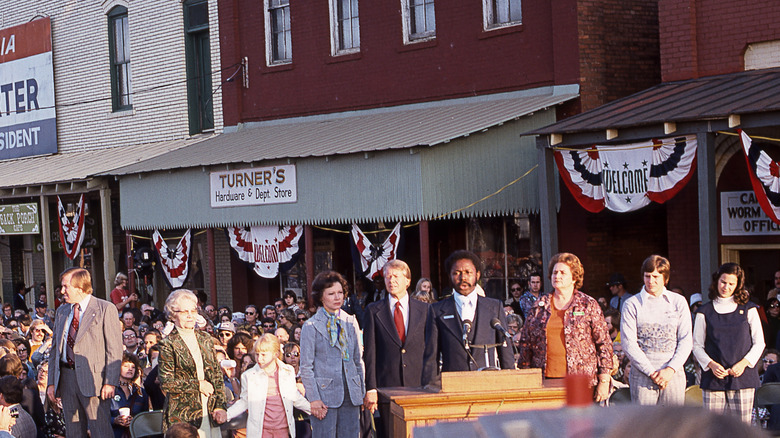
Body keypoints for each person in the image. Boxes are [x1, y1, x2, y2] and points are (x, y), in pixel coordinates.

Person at [518, 253, 613, 402]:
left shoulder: (588, 304)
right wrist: (525, 378)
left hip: (581, 380)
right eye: (555, 272)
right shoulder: (538, 306)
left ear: (574, 278)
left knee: (578, 423)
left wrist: (604, 380)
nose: (557, 276)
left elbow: (604, 344)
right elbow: (525, 343)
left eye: (563, 273)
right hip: (544, 380)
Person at [46, 267, 123, 438]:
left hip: (95, 382)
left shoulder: (105, 309)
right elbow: (54, 351)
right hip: (66, 379)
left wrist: (110, 382)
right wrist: (51, 382)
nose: (62, 291)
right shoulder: (62, 311)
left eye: (66, 287)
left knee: (100, 431)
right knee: (73, 432)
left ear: (80, 288)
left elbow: (114, 350)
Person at [362, 260, 436, 434]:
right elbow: (370, 353)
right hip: (387, 388)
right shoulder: (373, 310)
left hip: (418, 387)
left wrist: (430, 384)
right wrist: (371, 388)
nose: (391, 280)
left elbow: (431, 349)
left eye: (396, 276)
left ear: (408, 281)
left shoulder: (425, 310)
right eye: (388, 276)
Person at [692, 263, 764, 423]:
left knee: (741, 429)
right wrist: (711, 364)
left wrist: (743, 364)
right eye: (723, 282)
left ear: (738, 285)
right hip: (713, 378)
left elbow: (759, 343)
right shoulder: (704, 311)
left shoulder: (749, 309)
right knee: (713, 428)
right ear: (717, 281)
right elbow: (696, 345)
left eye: (732, 283)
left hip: (742, 377)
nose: (726, 287)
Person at [299, 271, 365, 438]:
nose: (337, 297)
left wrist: (361, 392)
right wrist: (313, 399)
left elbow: (358, 361)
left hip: (351, 394)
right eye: (331, 293)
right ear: (321, 297)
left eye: (340, 292)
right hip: (324, 397)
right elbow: (306, 367)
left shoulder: (351, 321)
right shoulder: (311, 326)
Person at [621, 255, 692, 406]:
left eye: (655, 277)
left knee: (673, 424)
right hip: (642, 376)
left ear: (665, 278)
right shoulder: (632, 304)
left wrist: (670, 370)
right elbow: (629, 343)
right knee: (645, 425)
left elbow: (686, 339)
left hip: (673, 374)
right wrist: (651, 373)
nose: (651, 281)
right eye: (647, 276)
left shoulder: (678, 302)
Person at [429, 250, 515, 374]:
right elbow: (431, 356)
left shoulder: (494, 307)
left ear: (477, 275)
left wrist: (511, 382)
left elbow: (505, 351)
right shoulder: (437, 310)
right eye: (456, 273)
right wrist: (431, 387)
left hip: (488, 383)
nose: (463, 277)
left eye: (468, 272)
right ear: (450, 276)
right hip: (453, 384)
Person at [158, 289, 227, 436]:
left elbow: (216, 375)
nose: (190, 316)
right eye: (184, 312)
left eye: (193, 310)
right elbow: (167, 382)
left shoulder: (206, 338)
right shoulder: (168, 343)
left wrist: (220, 406)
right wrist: (198, 385)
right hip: (183, 416)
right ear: (173, 314)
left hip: (209, 411)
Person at [226, 334, 310, 437]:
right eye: (257, 354)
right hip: (260, 431)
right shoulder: (248, 376)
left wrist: (312, 409)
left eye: (264, 355)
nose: (259, 359)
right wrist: (227, 415)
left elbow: (295, 397)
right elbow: (244, 402)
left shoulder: (288, 371)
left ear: (275, 354)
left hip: (283, 430)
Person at [110, 352, 150, 438]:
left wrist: (135, 420)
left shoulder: (141, 392)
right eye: (126, 366)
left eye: (133, 367)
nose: (130, 369)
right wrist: (115, 420)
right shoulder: (110, 390)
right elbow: (101, 417)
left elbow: (146, 417)